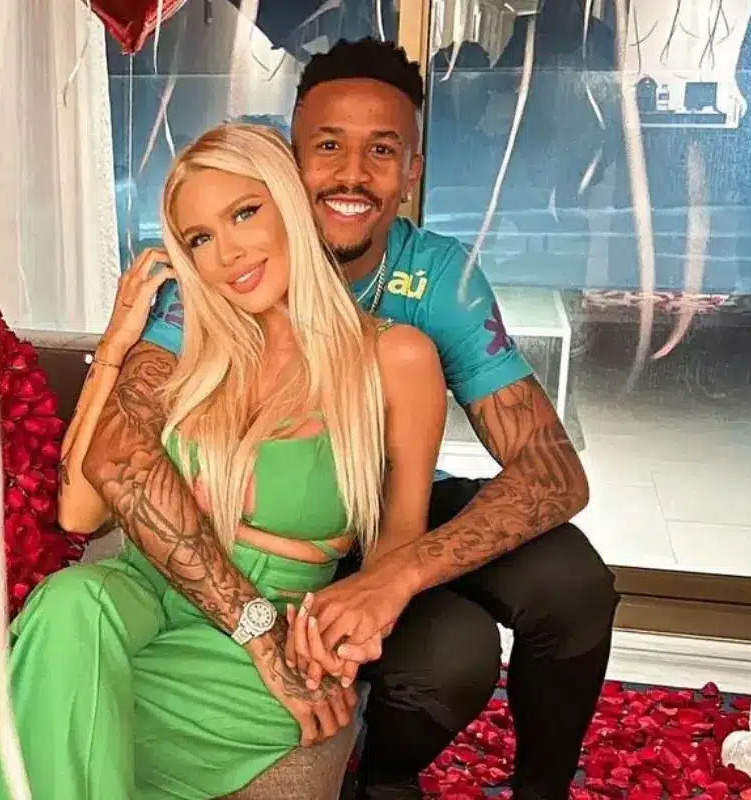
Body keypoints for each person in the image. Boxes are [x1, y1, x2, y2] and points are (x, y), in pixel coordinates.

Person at [83, 39, 619, 800]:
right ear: (288, 162)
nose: (352, 174)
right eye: (328, 146)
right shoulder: (219, 270)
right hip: (267, 515)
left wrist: (397, 574)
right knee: (454, 654)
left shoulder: (438, 278)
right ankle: (385, 779)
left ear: (412, 172)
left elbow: (555, 472)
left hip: (392, 493)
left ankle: (543, 790)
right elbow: (121, 450)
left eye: (382, 150)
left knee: (573, 584)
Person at [0, 123, 447, 798]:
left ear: (289, 202)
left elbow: (400, 536)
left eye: (244, 213)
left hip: (273, 623)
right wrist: (115, 346)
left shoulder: (395, 358)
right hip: (145, 591)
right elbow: (79, 511)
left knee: (29, 703)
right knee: (70, 600)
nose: (227, 253)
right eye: (199, 239)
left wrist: (356, 626)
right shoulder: (188, 354)